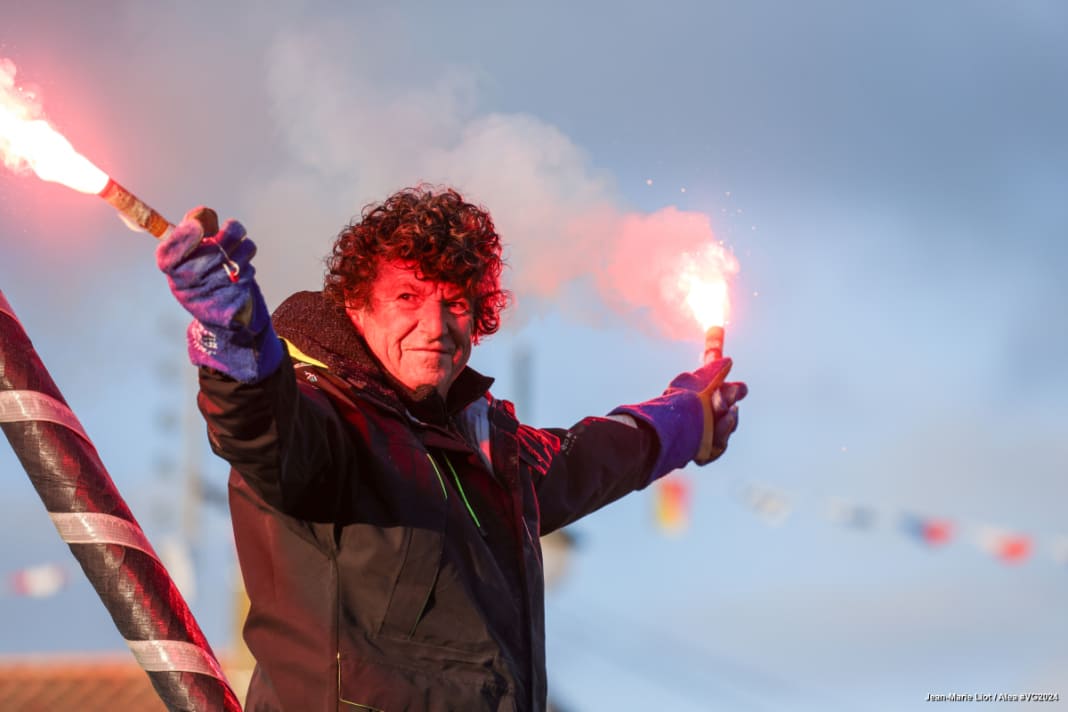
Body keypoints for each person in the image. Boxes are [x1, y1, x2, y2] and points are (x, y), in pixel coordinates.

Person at [157, 185, 748, 712]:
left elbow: (590, 459)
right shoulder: (326, 416)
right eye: (408, 297)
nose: (436, 325)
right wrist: (233, 341)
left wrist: (687, 417)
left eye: (455, 303)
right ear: (356, 307)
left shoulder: (483, 443)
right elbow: (262, 430)